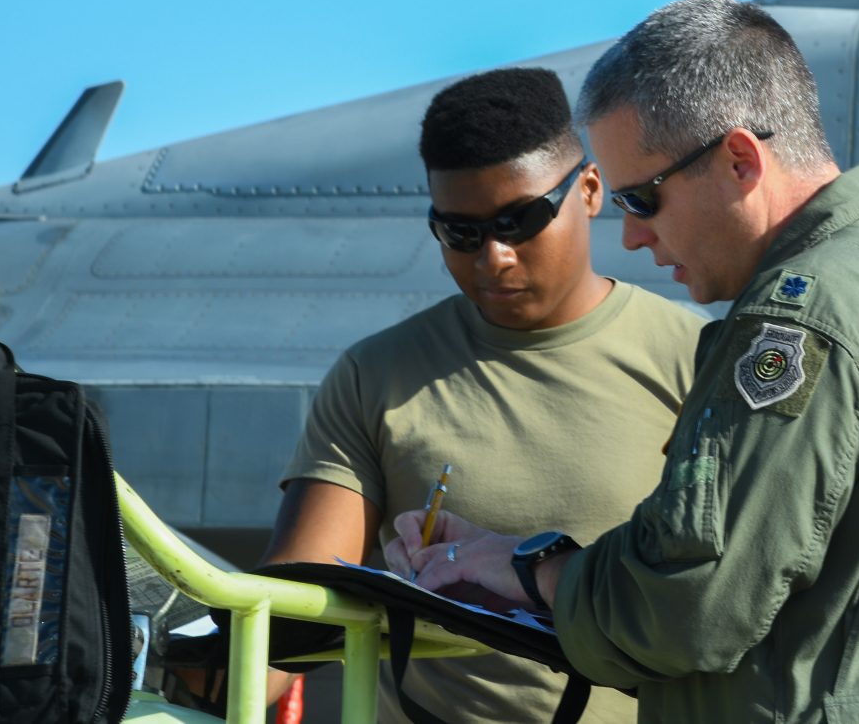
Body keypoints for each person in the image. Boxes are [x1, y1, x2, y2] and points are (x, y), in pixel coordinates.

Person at [388, 0, 859, 724]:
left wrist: (535, 572)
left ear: (739, 159)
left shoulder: (800, 316)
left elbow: (691, 603)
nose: (634, 237)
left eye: (642, 198)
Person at [265, 66, 705, 724]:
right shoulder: (375, 375)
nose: (493, 257)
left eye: (520, 220)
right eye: (461, 233)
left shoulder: (696, 359)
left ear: (588, 190)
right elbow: (283, 621)